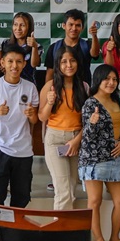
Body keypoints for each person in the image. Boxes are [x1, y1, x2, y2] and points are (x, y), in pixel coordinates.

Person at [80, 64, 120, 241]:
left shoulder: (118, 100)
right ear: (98, 80)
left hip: (115, 157)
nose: (111, 83)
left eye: (114, 79)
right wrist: (92, 124)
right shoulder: (90, 104)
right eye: (107, 79)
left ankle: (115, 238)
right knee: (94, 201)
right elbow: (87, 137)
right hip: (93, 159)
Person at [0, 43, 39, 208]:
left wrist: (31, 115)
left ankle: (16, 233)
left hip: (23, 151)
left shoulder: (30, 87)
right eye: (10, 61)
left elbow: (34, 121)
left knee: (21, 199)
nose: (15, 66)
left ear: (24, 64)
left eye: (19, 61)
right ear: (3, 63)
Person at [38, 46, 87, 211]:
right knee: (63, 190)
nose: (69, 65)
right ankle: (58, 235)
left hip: (75, 140)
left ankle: (66, 230)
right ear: (58, 64)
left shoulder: (84, 87)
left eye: (72, 60)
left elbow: (87, 121)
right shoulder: (50, 86)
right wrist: (50, 102)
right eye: (64, 61)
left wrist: (76, 141)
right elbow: (41, 117)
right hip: (55, 140)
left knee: (72, 190)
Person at [44, 8, 100, 86]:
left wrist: (94, 36)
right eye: (70, 24)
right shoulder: (54, 48)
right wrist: (48, 91)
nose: (74, 28)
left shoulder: (87, 45)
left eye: (77, 25)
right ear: (64, 26)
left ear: (82, 27)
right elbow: (50, 73)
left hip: (83, 91)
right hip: (60, 92)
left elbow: (95, 54)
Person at [9, 11, 41, 83]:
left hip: (28, 86)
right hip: (8, 86)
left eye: (22, 25)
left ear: (29, 27)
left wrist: (34, 47)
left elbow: (34, 64)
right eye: (15, 24)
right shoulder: (6, 44)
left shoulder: (36, 45)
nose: (18, 28)